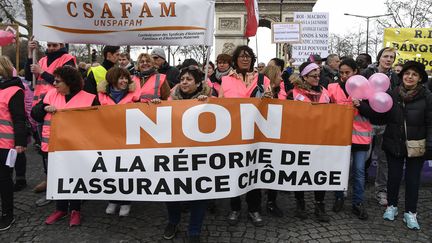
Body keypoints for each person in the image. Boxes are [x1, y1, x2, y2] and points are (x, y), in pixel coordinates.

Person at [31, 66, 99, 227]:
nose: (54, 84)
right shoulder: (51, 95)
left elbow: (98, 123)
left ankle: (75, 210)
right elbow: (35, 114)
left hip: (76, 147)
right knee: (56, 177)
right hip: (54, 146)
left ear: (69, 82)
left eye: (57, 81)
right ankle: (60, 209)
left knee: (75, 177)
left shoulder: (89, 98)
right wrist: (43, 107)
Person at [219, 45, 271, 227]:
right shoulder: (225, 80)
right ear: (235, 59)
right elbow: (219, 106)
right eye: (241, 56)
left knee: (254, 172)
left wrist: (270, 98)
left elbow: (271, 105)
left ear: (252, 59)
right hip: (233, 133)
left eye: (248, 56)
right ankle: (235, 207)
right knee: (235, 171)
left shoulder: (263, 79)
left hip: (257, 134)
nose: (245, 59)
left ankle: (254, 208)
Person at [327, 58, 382, 220]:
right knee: (341, 170)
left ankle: (358, 203)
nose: (344, 76)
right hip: (340, 138)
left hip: (360, 139)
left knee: (358, 172)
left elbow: (374, 113)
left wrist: (361, 105)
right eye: (341, 72)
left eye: (347, 72)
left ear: (355, 72)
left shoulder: (366, 90)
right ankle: (339, 197)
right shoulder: (332, 88)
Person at [161, 66, 211, 243]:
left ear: (198, 83)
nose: (184, 82)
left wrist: (209, 104)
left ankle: (194, 230)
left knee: (199, 192)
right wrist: (153, 108)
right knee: (172, 190)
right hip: (175, 154)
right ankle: (173, 221)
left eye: (189, 79)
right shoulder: (170, 100)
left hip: (201, 157)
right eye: (182, 79)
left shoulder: (210, 100)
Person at [382, 61, 432, 230]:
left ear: (419, 78)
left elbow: (430, 123)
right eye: (407, 73)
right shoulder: (393, 93)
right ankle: (392, 206)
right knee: (393, 178)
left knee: (412, 180)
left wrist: (430, 145)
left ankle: (410, 212)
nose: (409, 77)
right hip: (394, 142)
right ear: (402, 75)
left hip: (416, 144)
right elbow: (381, 114)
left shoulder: (427, 96)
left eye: (414, 74)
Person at [25, 39, 76, 198]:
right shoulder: (40, 59)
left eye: (55, 45)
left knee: (62, 144)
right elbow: (28, 77)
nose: (51, 48)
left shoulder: (68, 59)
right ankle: (49, 177)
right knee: (43, 144)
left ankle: (65, 176)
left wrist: (41, 71)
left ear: (62, 46)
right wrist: (29, 55)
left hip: (58, 105)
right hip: (41, 106)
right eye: (49, 45)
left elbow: (67, 81)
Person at [287, 62, 330, 222]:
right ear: (304, 76)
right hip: (301, 139)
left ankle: (320, 205)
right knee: (301, 172)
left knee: (320, 173)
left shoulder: (325, 92)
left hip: (321, 139)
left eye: (318, 75)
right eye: (313, 76)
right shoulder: (294, 93)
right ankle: (300, 204)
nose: (317, 78)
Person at [97, 67, 139, 216]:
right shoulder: (100, 97)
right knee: (111, 171)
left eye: (126, 78)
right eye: (121, 78)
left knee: (126, 171)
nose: (124, 81)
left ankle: (126, 201)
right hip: (107, 139)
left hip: (128, 139)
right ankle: (113, 199)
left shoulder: (134, 96)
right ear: (112, 80)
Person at [361, 47, 399, 206]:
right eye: (385, 56)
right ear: (379, 57)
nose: (388, 59)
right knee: (363, 157)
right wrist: (369, 111)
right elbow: (359, 97)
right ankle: (358, 189)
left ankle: (381, 191)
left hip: (386, 124)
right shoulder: (367, 74)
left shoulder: (396, 78)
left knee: (383, 160)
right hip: (367, 121)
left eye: (391, 57)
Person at [0, 56, 27, 231]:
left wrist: (20, 143)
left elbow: (19, 119)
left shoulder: (15, 90)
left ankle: (7, 213)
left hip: (5, 143)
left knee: (3, 179)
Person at [261, 65, 286, 218]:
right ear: (271, 77)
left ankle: (271, 201)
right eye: (279, 76)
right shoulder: (261, 92)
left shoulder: (283, 93)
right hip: (261, 137)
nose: (282, 78)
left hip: (278, 137)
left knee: (274, 169)